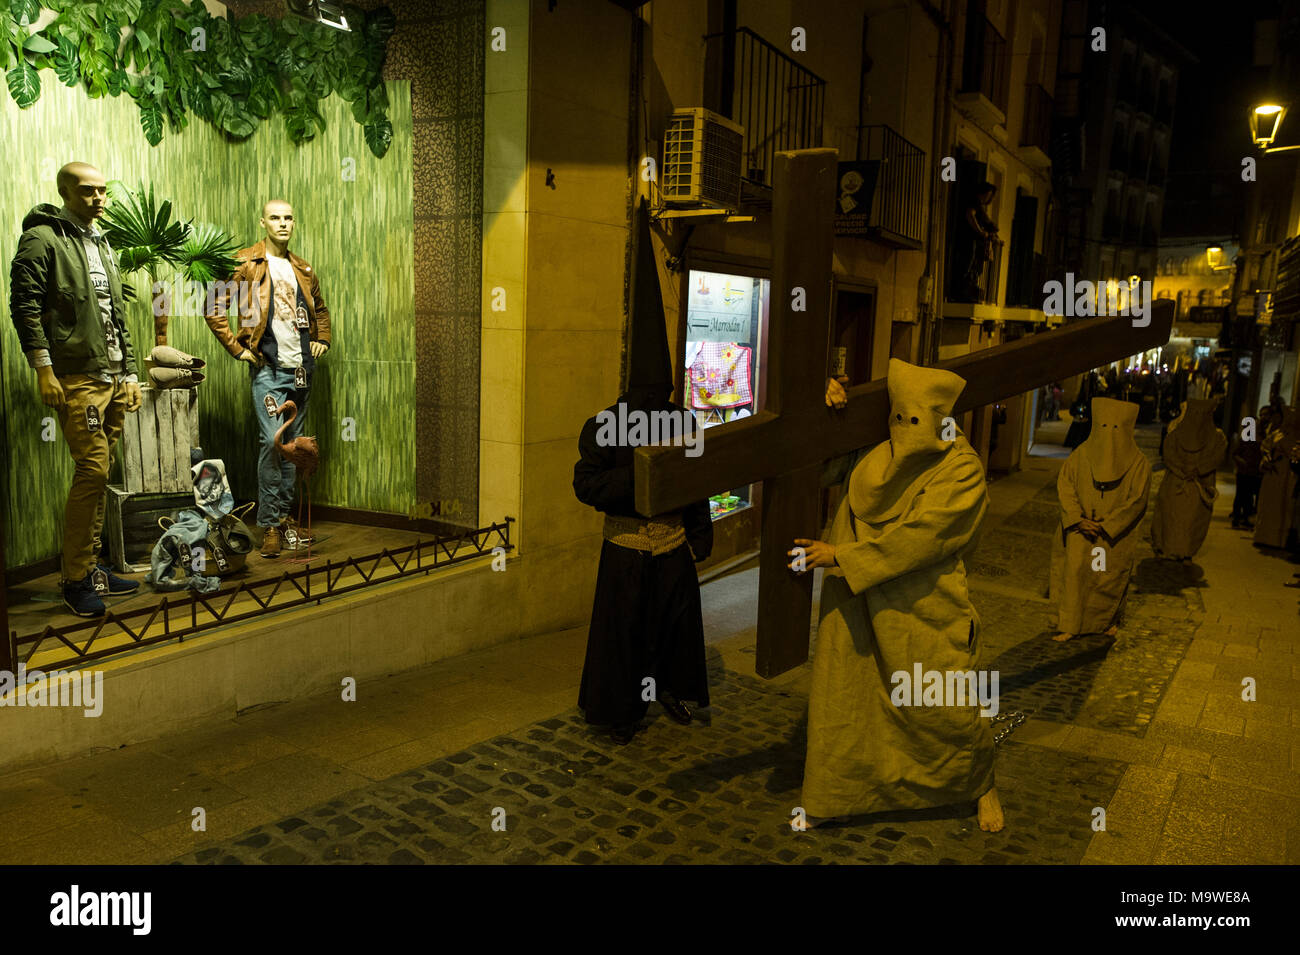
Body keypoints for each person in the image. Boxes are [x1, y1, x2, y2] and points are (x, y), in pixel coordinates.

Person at [791, 358, 1002, 832]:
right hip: (858, 604)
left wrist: (844, 558)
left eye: (917, 420)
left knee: (945, 705)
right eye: (899, 417)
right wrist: (822, 408)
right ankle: (840, 793)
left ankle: (979, 781)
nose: (907, 430)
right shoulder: (874, 449)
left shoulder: (961, 467)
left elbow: (924, 536)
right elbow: (821, 467)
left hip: (926, 607)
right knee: (851, 701)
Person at [9, 162, 143, 617]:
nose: (98, 199)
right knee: (93, 469)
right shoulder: (43, 238)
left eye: (103, 191)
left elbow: (114, 314)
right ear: (65, 192)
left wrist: (128, 373)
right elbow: (24, 305)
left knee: (101, 472)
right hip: (76, 375)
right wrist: (43, 369)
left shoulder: (102, 242)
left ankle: (93, 568)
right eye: (87, 192)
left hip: (112, 375)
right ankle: (75, 578)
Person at [204, 199, 331, 558]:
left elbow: (319, 307)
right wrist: (236, 348)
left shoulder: (302, 268)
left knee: (295, 444)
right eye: (275, 218)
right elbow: (214, 305)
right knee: (272, 443)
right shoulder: (246, 263)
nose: (283, 223)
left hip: (302, 369)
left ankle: (285, 518)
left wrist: (322, 338)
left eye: (288, 217)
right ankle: (270, 524)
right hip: (269, 369)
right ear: (263, 222)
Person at [1050, 398, 1151, 642]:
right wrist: (1077, 518)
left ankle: (1105, 622)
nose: (1110, 435)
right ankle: (1070, 624)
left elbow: (1136, 500)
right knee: (1074, 575)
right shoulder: (1080, 455)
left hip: (1112, 535)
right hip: (1079, 530)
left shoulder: (1139, 464)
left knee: (1106, 577)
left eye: (1116, 428)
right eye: (1104, 427)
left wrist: (1107, 525)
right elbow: (1066, 486)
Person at [1152, 398, 1227, 561]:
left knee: (1193, 521)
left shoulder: (1217, 437)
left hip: (1198, 484)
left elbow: (1217, 457)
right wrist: (1183, 470)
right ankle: (1167, 546)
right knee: (1170, 516)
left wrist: (1198, 470)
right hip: (1178, 482)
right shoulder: (1177, 434)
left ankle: (1186, 551)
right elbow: (1169, 454)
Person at [1254, 406, 1299, 551]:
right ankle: (1264, 535)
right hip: (1273, 473)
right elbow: (1265, 446)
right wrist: (1267, 457)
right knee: (1269, 503)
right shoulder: (1277, 433)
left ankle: (1280, 539)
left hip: (1287, 474)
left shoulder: (1295, 436)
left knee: (1283, 505)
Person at [1230, 407, 1266, 530]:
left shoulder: (1262, 439)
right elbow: (1235, 453)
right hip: (1244, 471)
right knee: (1241, 495)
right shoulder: (1246, 438)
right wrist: (1241, 461)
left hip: (1254, 472)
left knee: (1248, 496)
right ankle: (1237, 517)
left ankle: (1245, 517)